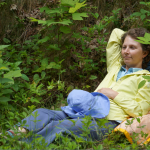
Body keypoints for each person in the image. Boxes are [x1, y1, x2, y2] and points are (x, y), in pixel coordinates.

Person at [4, 28, 150, 146]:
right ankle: (11, 135)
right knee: (42, 112)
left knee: (58, 125)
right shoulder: (115, 67)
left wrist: (114, 94)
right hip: (84, 111)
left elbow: (140, 110)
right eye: (124, 47)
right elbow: (116, 33)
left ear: (144, 52)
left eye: (132, 47)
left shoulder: (145, 78)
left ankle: (22, 145)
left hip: (107, 122)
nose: (125, 51)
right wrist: (132, 36)